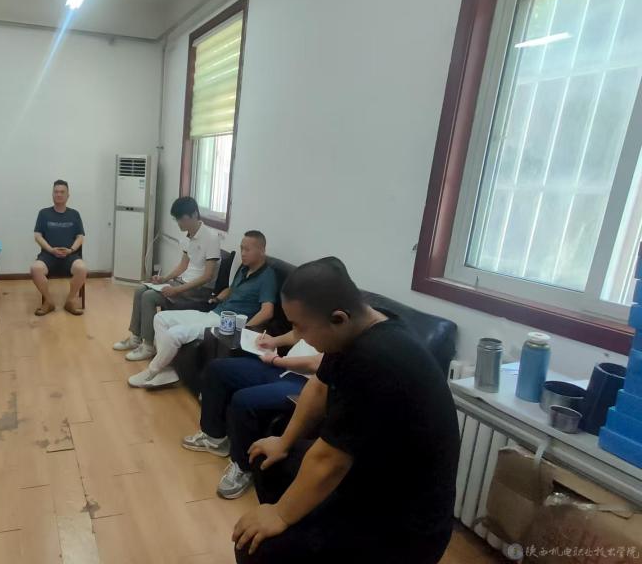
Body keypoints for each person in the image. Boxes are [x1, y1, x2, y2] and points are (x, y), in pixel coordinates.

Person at [231, 257, 459, 564]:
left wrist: (281, 515)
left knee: (255, 548)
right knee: (267, 460)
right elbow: (319, 387)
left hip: (403, 523)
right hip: (369, 472)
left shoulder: (374, 359)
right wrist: (283, 442)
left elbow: (330, 460)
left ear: (338, 318)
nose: (297, 335)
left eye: (300, 327)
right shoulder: (360, 328)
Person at [128, 231, 277, 389]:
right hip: (214, 313)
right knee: (160, 318)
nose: (243, 253)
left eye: (247, 249)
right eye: (241, 248)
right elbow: (231, 289)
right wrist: (217, 299)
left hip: (227, 325)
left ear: (262, 250)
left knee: (174, 334)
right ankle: (168, 368)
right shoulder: (244, 269)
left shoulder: (267, 277)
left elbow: (267, 311)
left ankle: (152, 371)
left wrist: (244, 329)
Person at [181, 331, 322, 499]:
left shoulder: (341, 331)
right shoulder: (316, 319)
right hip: (283, 368)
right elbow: (301, 331)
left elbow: (317, 363)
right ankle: (214, 438)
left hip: (308, 383)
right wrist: (274, 341)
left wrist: (276, 360)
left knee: (244, 400)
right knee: (217, 369)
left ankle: (243, 467)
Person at [113, 196, 221, 361]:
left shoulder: (211, 237)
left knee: (149, 297)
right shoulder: (187, 236)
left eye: (182, 219)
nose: (179, 224)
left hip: (199, 290)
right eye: (177, 219)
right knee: (140, 289)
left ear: (194, 215)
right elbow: (183, 265)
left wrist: (176, 290)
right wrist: (164, 279)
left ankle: (148, 346)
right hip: (183, 283)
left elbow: (207, 276)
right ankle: (135, 337)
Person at [31, 179, 87, 316]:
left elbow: (80, 237)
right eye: (56, 192)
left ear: (68, 195)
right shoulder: (43, 213)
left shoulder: (74, 214)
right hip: (48, 255)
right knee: (35, 269)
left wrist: (71, 250)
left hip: (70, 256)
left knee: (82, 268)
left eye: (62, 192)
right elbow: (37, 236)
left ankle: (70, 301)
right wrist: (50, 250)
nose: (59, 194)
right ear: (52, 194)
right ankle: (49, 302)